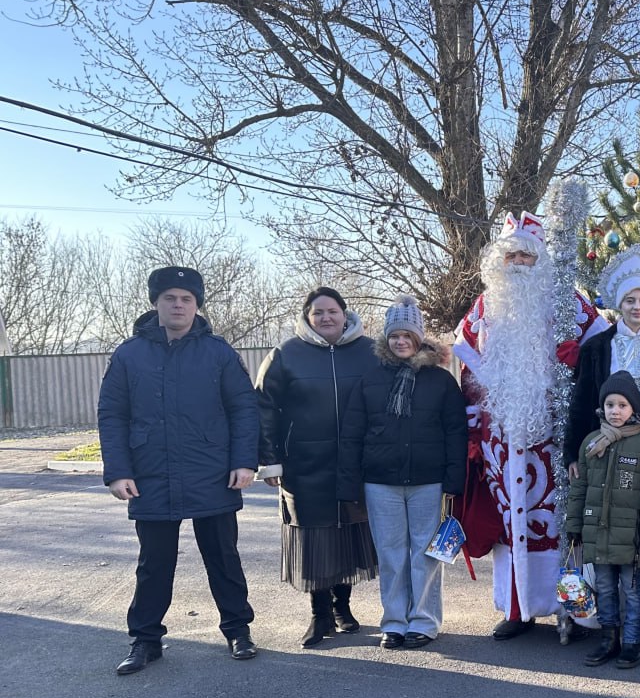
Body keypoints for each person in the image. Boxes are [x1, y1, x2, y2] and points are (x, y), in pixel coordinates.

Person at [453, 212, 608, 640]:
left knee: (565, 522)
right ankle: (517, 608)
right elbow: (468, 369)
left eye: (527, 255)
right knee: (511, 525)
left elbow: (601, 352)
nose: (519, 262)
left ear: (541, 261)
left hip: (557, 431)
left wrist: (576, 363)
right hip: (501, 435)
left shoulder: (567, 302)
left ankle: (575, 610)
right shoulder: (485, 306)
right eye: (512, 255)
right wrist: (471, 428)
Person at [98, 266, 259, 674]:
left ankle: (238, 631)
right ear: (156, 303)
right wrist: (118, 470)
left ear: (197, 305)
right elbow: (112, 414)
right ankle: (146, 640)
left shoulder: (219, 352)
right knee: (154, 561)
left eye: (187, 299)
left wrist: (244, 460)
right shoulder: (129, 354)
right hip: (150, 473)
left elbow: (243, 409)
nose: (178, 305)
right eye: (170, 297)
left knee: (223, 555)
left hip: (213, 470)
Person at [568, 245, 640, 650]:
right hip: (606, 450)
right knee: (608, 534)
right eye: (630, 300)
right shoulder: (598, 348)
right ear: (619, 304)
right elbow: (582, 403)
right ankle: (610, 623)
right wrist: (573, 453)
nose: (637, 307)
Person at [339, 295, 467, 649]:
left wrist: (455, 479)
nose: (400, 342)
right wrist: (349, 482)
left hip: (428, 480)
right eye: (394, 336)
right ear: (386, 339)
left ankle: (424, 622)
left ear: (419, 338)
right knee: (391, 553)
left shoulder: (441, 381)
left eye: (407, 336)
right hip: (381, 482)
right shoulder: (370, 380)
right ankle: (394, 621)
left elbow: (456, 432)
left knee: (425, 552)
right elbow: (353, 433)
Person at [255, 287, 379, 649]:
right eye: (318, 312)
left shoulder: (370, 352)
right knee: (316, 538)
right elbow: (263, 407)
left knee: (348, 533)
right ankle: (319, 613)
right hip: (303, 464)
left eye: (332, 311)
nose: (326, 318)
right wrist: (269, 459)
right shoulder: (286, 354)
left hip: (356, 462)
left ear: (345, 314)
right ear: (307, 318)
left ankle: (343, 608)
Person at [564, 372, 640, 668]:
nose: (616, 411)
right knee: (606, 589)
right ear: (603, 408)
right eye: (610, 405)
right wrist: (574, 525)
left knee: (633, 590)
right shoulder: (591, 443)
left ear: (633, 408)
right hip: (599, 534)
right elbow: (580, 489)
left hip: (633, 539)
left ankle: (632, 642)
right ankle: (609, 639)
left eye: (623, 405)